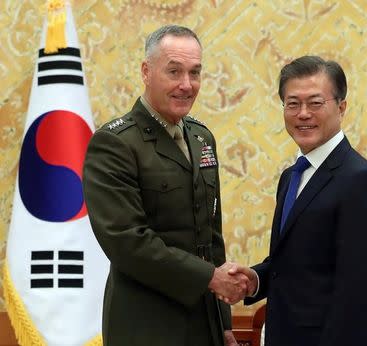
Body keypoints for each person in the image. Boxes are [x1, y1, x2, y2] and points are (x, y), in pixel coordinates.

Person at [82, 25, 247, 346]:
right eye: (174, 72)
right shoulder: (115, 143)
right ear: (146, 71)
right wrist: (209, 278)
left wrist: (224, 323)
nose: (187, 85)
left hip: (204, 319)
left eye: (195, 73)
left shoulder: (201, 138)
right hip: (146, 321)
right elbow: (126, 241)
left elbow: (211, 235)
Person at [227, 55, 367, 346]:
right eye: (293, 104)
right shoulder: (292, 176)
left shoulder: (358, 179)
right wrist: (256, 279)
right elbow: (292, 263)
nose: (303, 114)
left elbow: (354, 292)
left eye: (315, 103)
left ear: (341, 108)